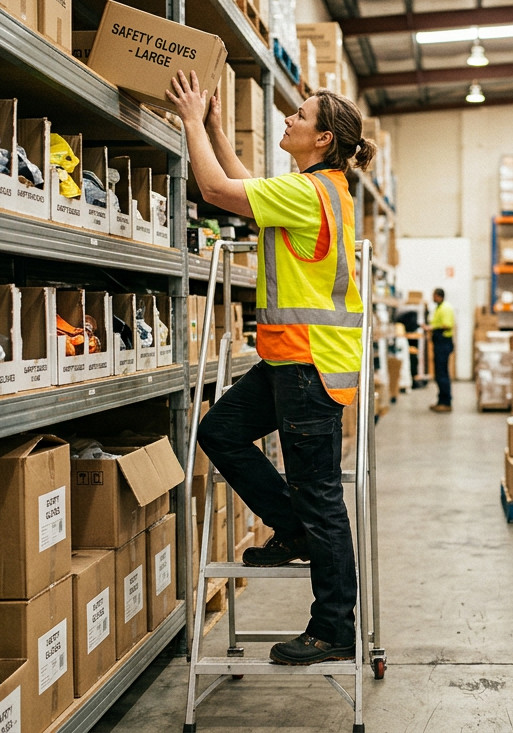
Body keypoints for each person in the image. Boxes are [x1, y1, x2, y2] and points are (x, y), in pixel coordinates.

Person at [167, 70, 375, 666]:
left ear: (323, 139)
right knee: (220, 431)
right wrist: (212, 123)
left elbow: (214, 189)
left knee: (323, 500)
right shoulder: (318, 188)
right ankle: (291, 530)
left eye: (300, 116)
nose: (288, 118)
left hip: (309, 368)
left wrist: (188, 120)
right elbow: (243, 182)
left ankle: (333, 628)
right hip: (291, 361)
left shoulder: (307, 194)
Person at [429, 288, 454, 412]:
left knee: (442, 374)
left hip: (443, 343)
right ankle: (441, 401)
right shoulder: (439, 307)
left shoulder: (445, 308)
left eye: (434, 296)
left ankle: (446, 402)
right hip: (439, 343)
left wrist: (432, 327)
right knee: (439, 374)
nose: (432, 298)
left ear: (439, 296)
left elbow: (447, 325)